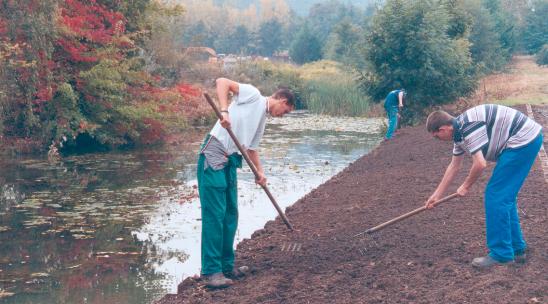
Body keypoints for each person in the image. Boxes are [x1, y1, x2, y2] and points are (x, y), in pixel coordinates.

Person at [197, 78, 295, 288]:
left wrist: (260, 172)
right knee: (215, 216)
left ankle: (226, 266)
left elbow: (251, 149)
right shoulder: (253, 95)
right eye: (285, 111)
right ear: (282, 100)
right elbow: (222, 82)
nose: (283, 115)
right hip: (214, 154)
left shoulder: (262, 120)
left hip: (231, 160)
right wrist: (224, 111)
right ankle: (212, 272)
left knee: (230, 214)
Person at [425, 104, 543, 268]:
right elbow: (454, 166)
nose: (438, 140)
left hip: (523, 141)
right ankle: (517, 249)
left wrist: (465, 186)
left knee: (496, 196)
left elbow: (480, 164)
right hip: (522, 141)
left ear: (444, 128)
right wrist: (436, 195)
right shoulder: (458, 135)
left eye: (436, 136)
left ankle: (501, 254)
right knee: (503, 197)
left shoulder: (467, 127)